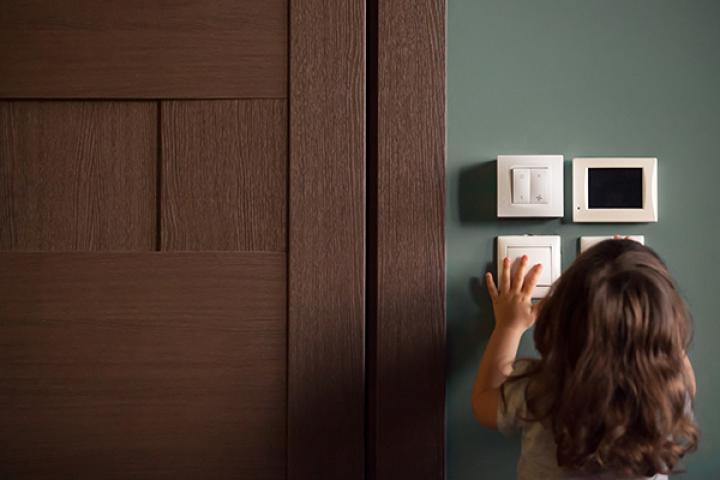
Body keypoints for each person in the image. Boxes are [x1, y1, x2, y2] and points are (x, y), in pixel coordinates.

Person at [471, 239, 698, 479]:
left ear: (562, 315)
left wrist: (509, 327)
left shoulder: (541, 387)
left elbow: (483, 401)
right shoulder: (666, 395)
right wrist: (649, 318)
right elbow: (686, 382)